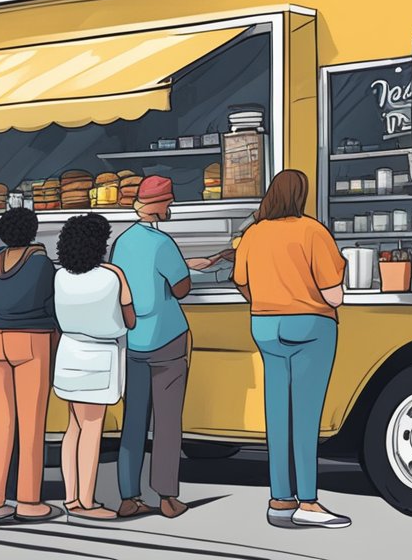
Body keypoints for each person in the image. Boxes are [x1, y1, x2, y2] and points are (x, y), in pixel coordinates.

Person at [233, 170, 350, 529]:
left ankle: (280, 501)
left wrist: (266, 301)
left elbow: (241, 281)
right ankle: (309, 503)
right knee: (305, 418)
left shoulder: (253, 233)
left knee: (278, 416)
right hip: (310, 328)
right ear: (301, 195)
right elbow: (334, 294)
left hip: (265, 327)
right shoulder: (312, 231)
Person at [111, 175, 226, 519]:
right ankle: (166, 497)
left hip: (133, 340)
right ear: (158, 206)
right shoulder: (163, 243)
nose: (171, 207)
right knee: (166, 421)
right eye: (169, 202)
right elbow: (181, 289)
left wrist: (192, 262)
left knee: (133, 420)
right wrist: (189, 269)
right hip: (167, 340)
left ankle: (128, 496)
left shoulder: (123, 241)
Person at [0, 207, 61, 522]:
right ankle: (28, 501)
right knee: (31, 424)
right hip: (30, 340)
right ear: (33, 232)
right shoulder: (41, 264)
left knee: (1, 424)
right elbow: (51, 305)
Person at [53, 213, 134, 522]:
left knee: (72, 427)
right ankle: (86, 502)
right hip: (99, 359)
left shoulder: (60, 276)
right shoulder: (112, 277)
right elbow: (129, 319)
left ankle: (70, 495)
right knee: (92, 430)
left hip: (69, 354)